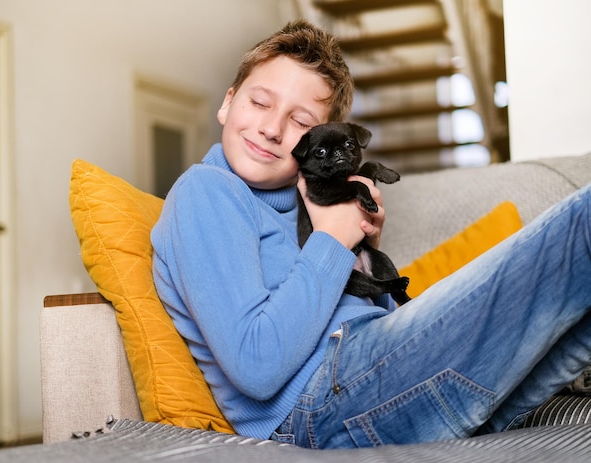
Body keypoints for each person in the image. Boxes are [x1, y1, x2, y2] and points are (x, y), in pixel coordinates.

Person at [151, 19, 591, 449]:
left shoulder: (312, 202)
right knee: (581, 225)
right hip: (316, 404)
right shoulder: (208, 190)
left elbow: (365, 321)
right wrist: (333, 242)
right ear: (229, 102)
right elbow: (256, 365)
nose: (271, 128)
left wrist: (363, 252)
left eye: (301, 121)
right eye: (259, 102)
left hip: (364, 378)